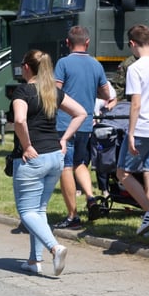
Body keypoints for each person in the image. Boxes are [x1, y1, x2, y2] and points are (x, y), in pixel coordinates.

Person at [11, 50, 87, 276]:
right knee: (39, 210)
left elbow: (19, 120)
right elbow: (81, 113)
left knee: (27, 211)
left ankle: (55, 248)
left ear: (27, 67)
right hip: (54, 156)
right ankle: (34, 260)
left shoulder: (22, 91)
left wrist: (26, 146)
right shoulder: (52, 91)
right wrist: (64, 139)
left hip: (33, 158)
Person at [53, 25, 111, 230]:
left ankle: (73, 216)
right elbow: (106, 94)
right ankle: (91, 197)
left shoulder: (63, 63)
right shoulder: (96, 64)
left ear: (67, 43)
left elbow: (55, 92)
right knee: (80, 163)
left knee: (66, 167)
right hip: (86, 123)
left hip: (65, 123)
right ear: (87, 42)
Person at [115, 24, 149, 236]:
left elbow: (135, 103)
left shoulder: (135, 68)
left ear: (132, 43)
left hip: (141, 128)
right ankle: (148, 225)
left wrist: (130, 132)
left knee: (123, 172)